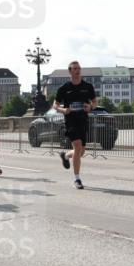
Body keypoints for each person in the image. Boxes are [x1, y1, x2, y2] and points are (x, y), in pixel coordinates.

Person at [54, 61, 97, 189]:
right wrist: (63, 110)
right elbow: (55, 104)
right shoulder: (64, 88)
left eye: (79, 68)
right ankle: (77, 179)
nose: (77, 70)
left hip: (83, 120)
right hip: (70, 120)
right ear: (70, 71)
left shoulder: (88, 86)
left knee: (81, 152)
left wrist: (90, 107)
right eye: (75, 69)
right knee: (77, 146)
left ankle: (65, 155)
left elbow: (94, 102)